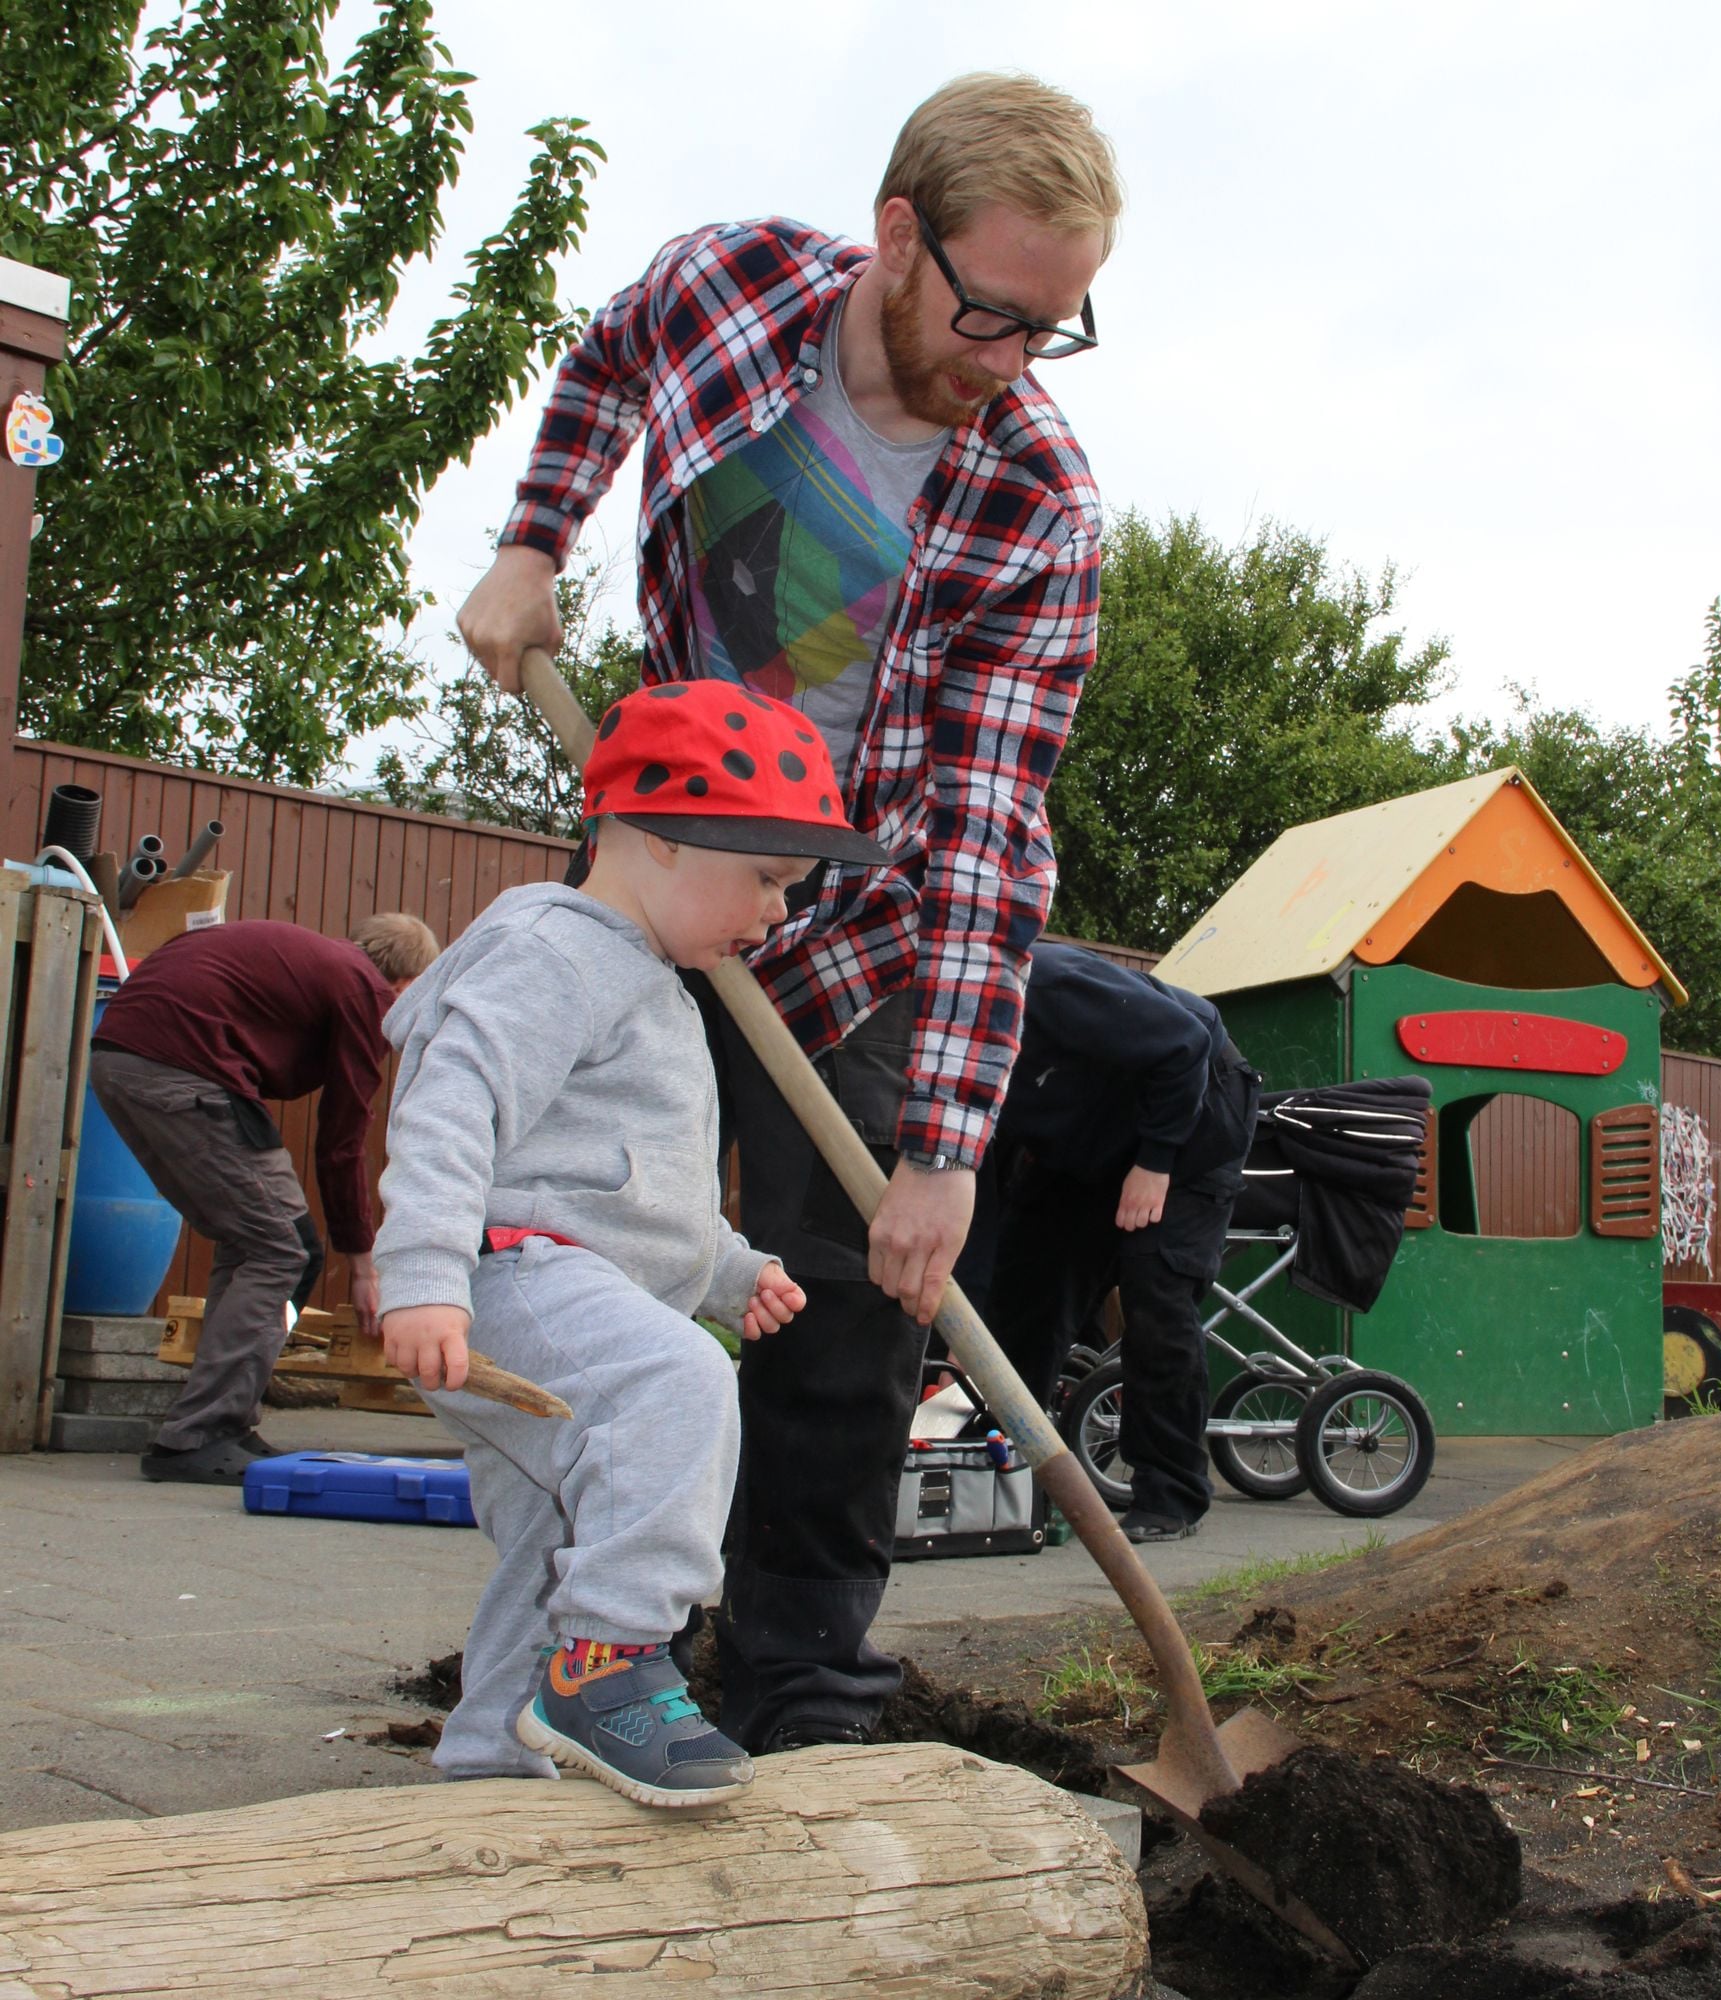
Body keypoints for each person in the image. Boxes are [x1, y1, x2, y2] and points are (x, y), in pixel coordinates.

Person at [453, 72, 1123, 1755]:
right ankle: (586, 1640)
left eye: (1059, 325)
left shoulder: (1037, 502)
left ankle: (803, 1676)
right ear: (897, 235)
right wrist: (537, 541)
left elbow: (988, 829)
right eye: (993, 312)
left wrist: (946, 1142)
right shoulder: (729, 287)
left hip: (862, 923)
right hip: (654, 866)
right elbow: (604, 358)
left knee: (840, 1301)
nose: (1015, 358)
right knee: (587, 1241)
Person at [374, 680, 891, 1806]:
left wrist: (725, 1265)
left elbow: (631, 1188)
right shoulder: (558, 952)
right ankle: (608, 1663)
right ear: (654, 839)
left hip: (555, 1280)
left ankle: (489, 1756)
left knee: (559, 1533)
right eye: (762, 878)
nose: (774, 914)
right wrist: (418, 1274)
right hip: (507, 1274)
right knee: (679, 1381)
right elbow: (453, 1102)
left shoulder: (647, 978)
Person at [87, 911, 440, 1484]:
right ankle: (199, 1435)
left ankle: (222, 1422)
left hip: (119, 1057)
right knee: (285, 1251)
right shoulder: (364, 989)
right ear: (403, 984)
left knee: (256, 1243)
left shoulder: (315, 962)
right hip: (184, 1069)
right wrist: (363, 1262)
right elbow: (343, 1137)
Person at [965, 941, 1261, 1541]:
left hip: (1192, 1117)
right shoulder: (950, 1050)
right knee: (1025, 1286)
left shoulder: (1044, 984)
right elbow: (983, 1195)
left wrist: (1155, 1162)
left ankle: (1170, 1494)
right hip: (1085, 1142)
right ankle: (1005, 1477)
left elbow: (1184, 1044)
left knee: (1155, 1293)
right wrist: (961, 1329)